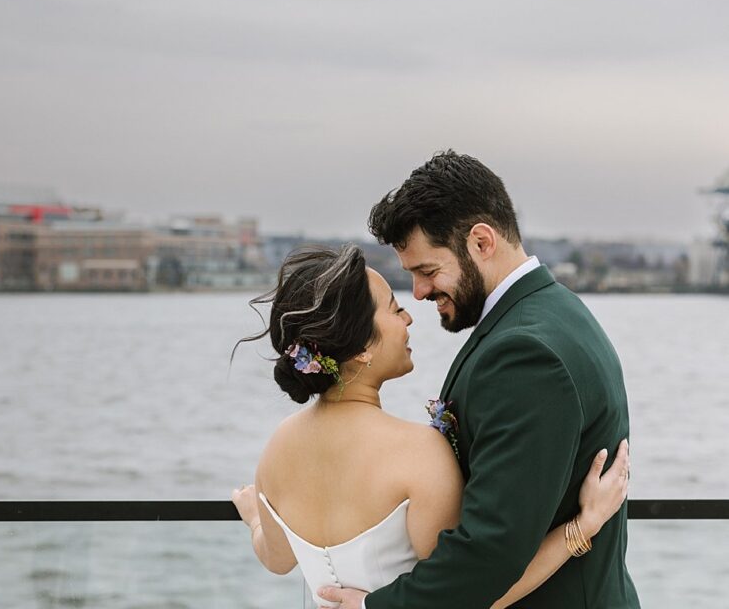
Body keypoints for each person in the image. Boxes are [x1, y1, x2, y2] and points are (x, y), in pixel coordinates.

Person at [306, 152, 636, 609]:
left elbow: (492, 548)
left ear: (481, 242)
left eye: (427, 271)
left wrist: (372, 607)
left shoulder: (525, 355)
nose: (418, 293)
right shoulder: (552, 312)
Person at [234, 227, 629, 607]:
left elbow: (277, 557)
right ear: (361, 350)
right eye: (394, 308)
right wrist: (581, 528)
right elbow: (476, 591)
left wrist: (254, 519)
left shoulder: (277, 448)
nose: (408, 317)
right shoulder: (418, 452)